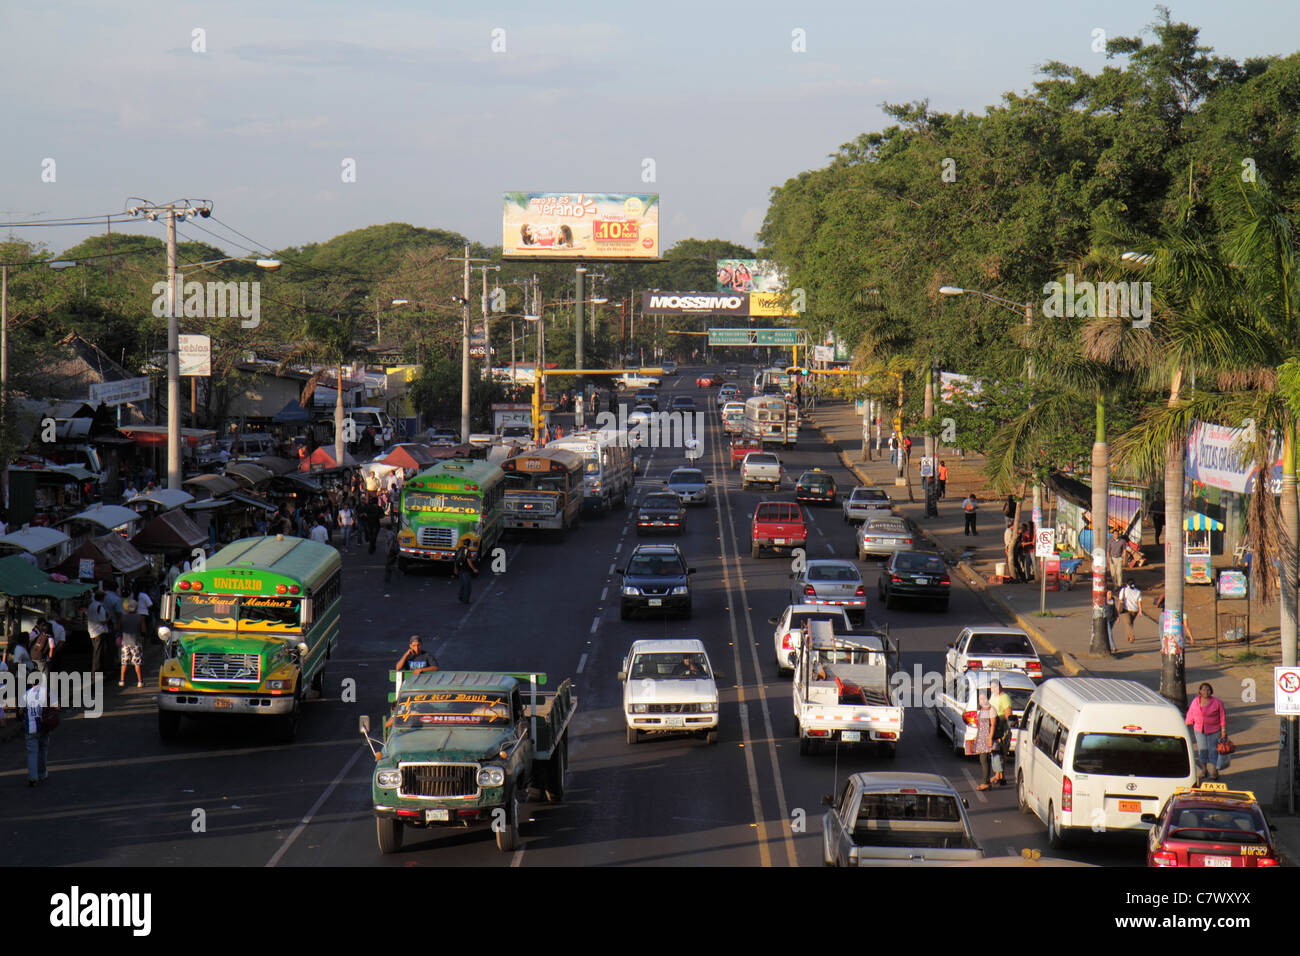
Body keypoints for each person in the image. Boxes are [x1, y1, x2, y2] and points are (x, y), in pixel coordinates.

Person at [1185, 683, 1227, 781]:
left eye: (1208, 690)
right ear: (1200, 691)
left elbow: (1222, 717)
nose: (1205, 692)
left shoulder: (1217, 703)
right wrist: (1186, 724)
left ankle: (1214, 771)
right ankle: (1204, 770)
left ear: (1211, 691)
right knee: (1202, 750)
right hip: (1199, 730)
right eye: (1203, 690)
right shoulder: (1195, 701)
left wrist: (1223, 730)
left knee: (1213, 750)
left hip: (1214, 730)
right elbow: (1190, 713)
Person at [24, 679, 51, 787]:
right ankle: (42, 773)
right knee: (43, 750)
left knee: (32, 753)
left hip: (30, 728)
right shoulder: (46, 693)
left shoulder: (25, 694)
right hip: (43, 727)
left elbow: (21, 711)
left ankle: (33, 777)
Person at [970, 691, 998, 790]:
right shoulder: (982, 709)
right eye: (980, 699)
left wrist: (990, 738)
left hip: (987, 738)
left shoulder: (991, 710)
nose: (981, 701)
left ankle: (986, 783)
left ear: (987, 699)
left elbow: (993, 725)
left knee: (984, 760)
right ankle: (987, 782)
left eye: (983, 699)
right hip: (981, 738)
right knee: (984, 760)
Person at [988, 679, 1013, 784]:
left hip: (1001, 728)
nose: (994, 689)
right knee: (996, 751)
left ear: (1000, 686)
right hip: (994, 726)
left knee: (1000, 751)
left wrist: (998, 719)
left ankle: (1000, 775)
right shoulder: (993, 697)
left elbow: (1008, 714)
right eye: (992, 688)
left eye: (995, 687)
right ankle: (999, 775)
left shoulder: (1005, 698)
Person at [119, 598, 144, 688]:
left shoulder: (122, 617)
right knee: (137, 663)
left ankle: (122, 680)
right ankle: (140, 681)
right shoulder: (139, 617)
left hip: (125, 642)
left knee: (124, 662)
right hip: (136, 642)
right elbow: (144, 629)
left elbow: (119, 628)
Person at [87, 589, 110, 676]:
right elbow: (103, 621)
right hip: (99, 631)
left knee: (97, 651)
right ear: (102, 598)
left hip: (92, 630)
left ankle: (98, 670)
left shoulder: (91, 605)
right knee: (99, 652)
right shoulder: (100, 607)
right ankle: (96, 671)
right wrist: (109, 618)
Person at [1104, 586, 1119, 653]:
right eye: (1109, 593)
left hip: (1112, 618)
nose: (1110, 595)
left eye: (1111, 593)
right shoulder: (1104, 600)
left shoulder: (1112, 599)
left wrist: (1117, 617)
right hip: (1106, 619)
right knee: (1110, 633)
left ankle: (1107, 645)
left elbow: (1114, 608)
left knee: (1108, 632)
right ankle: (1113, 647)